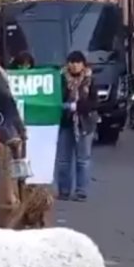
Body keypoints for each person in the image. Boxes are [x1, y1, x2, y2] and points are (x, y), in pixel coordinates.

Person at [56, 50, 98, 201]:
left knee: (83, 159)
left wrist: (77, 107)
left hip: (85, 123)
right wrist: (65, 107)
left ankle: (81, 191)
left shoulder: (90, 79)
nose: (74, 66)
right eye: (72, 62)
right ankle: (64, 191)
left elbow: (94, 103)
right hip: (66, 122)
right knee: (63, 160)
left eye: (78, 62)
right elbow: (56, 98)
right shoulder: (60, 78)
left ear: (83, 64)